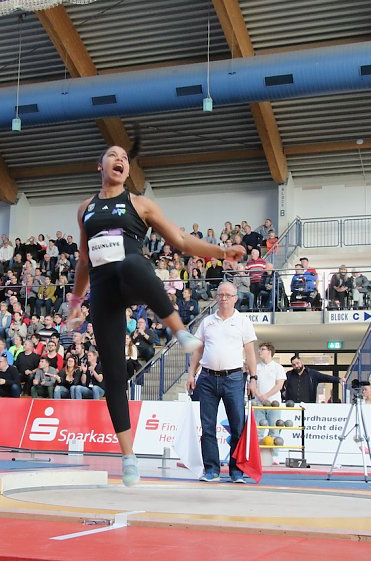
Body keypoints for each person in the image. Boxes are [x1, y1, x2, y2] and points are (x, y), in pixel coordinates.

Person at [67, 142, 245, 487]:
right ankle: (128, 457)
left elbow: (181, 239)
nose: (119, 160)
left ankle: (180, 331)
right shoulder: (84, 209)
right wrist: (75, 303)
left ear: (128, 172)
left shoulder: (139, 204)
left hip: (133, 279)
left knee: (134, 262)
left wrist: (222, 253)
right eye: (112, 156)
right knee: (114, 377)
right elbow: (84, 262)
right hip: (104, 292)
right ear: (99, 165)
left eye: (124, 158)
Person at [187, 281, 257, 483]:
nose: (223, 298)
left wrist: (253, 378)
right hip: (207, 378)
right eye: (220, 295)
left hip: (234, 379)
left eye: (227, 295)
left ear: (236, 298)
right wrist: (192, 374)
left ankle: (236, 471)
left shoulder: (243, 322)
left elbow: (250, 353)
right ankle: (211, 470)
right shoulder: (207, 322)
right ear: (216, 298)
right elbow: (198, 350)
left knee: (237, 426)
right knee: (207, 426)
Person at [252, 342, 287, 441]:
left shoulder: (278, 367)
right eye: (259, 349)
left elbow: (279, 385)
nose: (259, 351)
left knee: (274, 431)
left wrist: (266, 396)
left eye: (262, 349)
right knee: (257, 432)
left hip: (274, 404)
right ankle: (258, 456)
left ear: (269, 352)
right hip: (258, 404)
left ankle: (274, 455)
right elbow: (252, 384)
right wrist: (260, 396)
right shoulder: (256, 367)